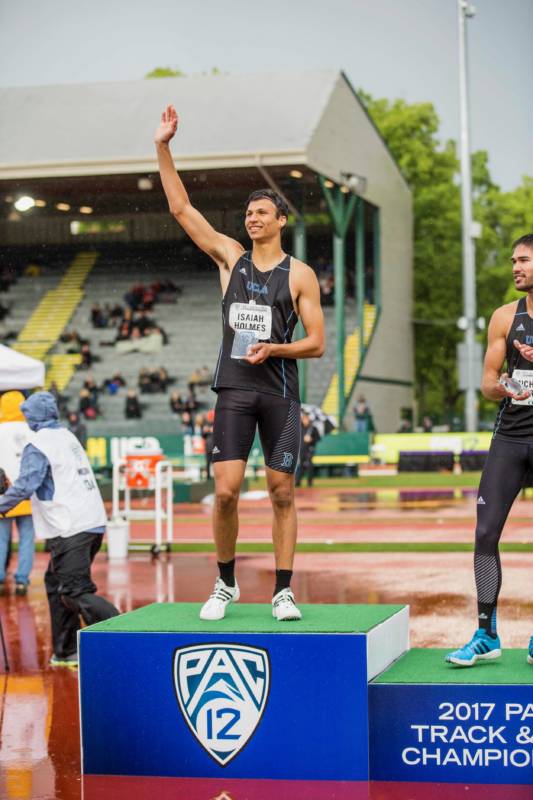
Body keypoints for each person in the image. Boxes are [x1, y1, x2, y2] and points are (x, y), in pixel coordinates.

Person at [155, 105, 325, 621]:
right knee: (225, 492)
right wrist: (163, 147)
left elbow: (316, 342)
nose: (252, 219)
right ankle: (225, 583)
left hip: (278, 391)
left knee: (280, 491)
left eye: (261, 213)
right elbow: (183, 209)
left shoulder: (300, 275)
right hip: (233, 389)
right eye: (248, 214)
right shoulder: (231, 257)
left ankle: (282, 590)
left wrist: (275, 349)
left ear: (281, 221)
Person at [446, 234, 533, 668]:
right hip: (511, 436)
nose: (516, 267)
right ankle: (486, 632)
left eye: (524, 260)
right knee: (485, 533)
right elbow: (486, 382)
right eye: (514, 260)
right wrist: (504, 386)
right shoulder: (504, 316)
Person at [0, 392, 119, 667]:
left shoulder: (39, 443)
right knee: (55, 584)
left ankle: (121, 633)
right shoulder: (66, 436)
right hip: (89, 523)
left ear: (32, 417)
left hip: (71, 527)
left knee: (74, 592)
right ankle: (65, 650)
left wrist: (3, 504)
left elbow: (28, 483)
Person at [0, 391, 35, 595]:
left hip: (3, 495)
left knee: (1, 539)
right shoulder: (31, 429)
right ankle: (22, 580)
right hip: (27, 494)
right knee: (27, 539)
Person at [295, 412, 321, 488]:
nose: (305, 420)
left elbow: (318, 438)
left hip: (310, 449)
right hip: (301, 449)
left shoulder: (313, 428)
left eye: (306, 419)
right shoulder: (300, 427)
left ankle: (309, 482)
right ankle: (298, 481)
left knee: (309, 465)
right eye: (304, 419)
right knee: (301, 465)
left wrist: (311, 439)